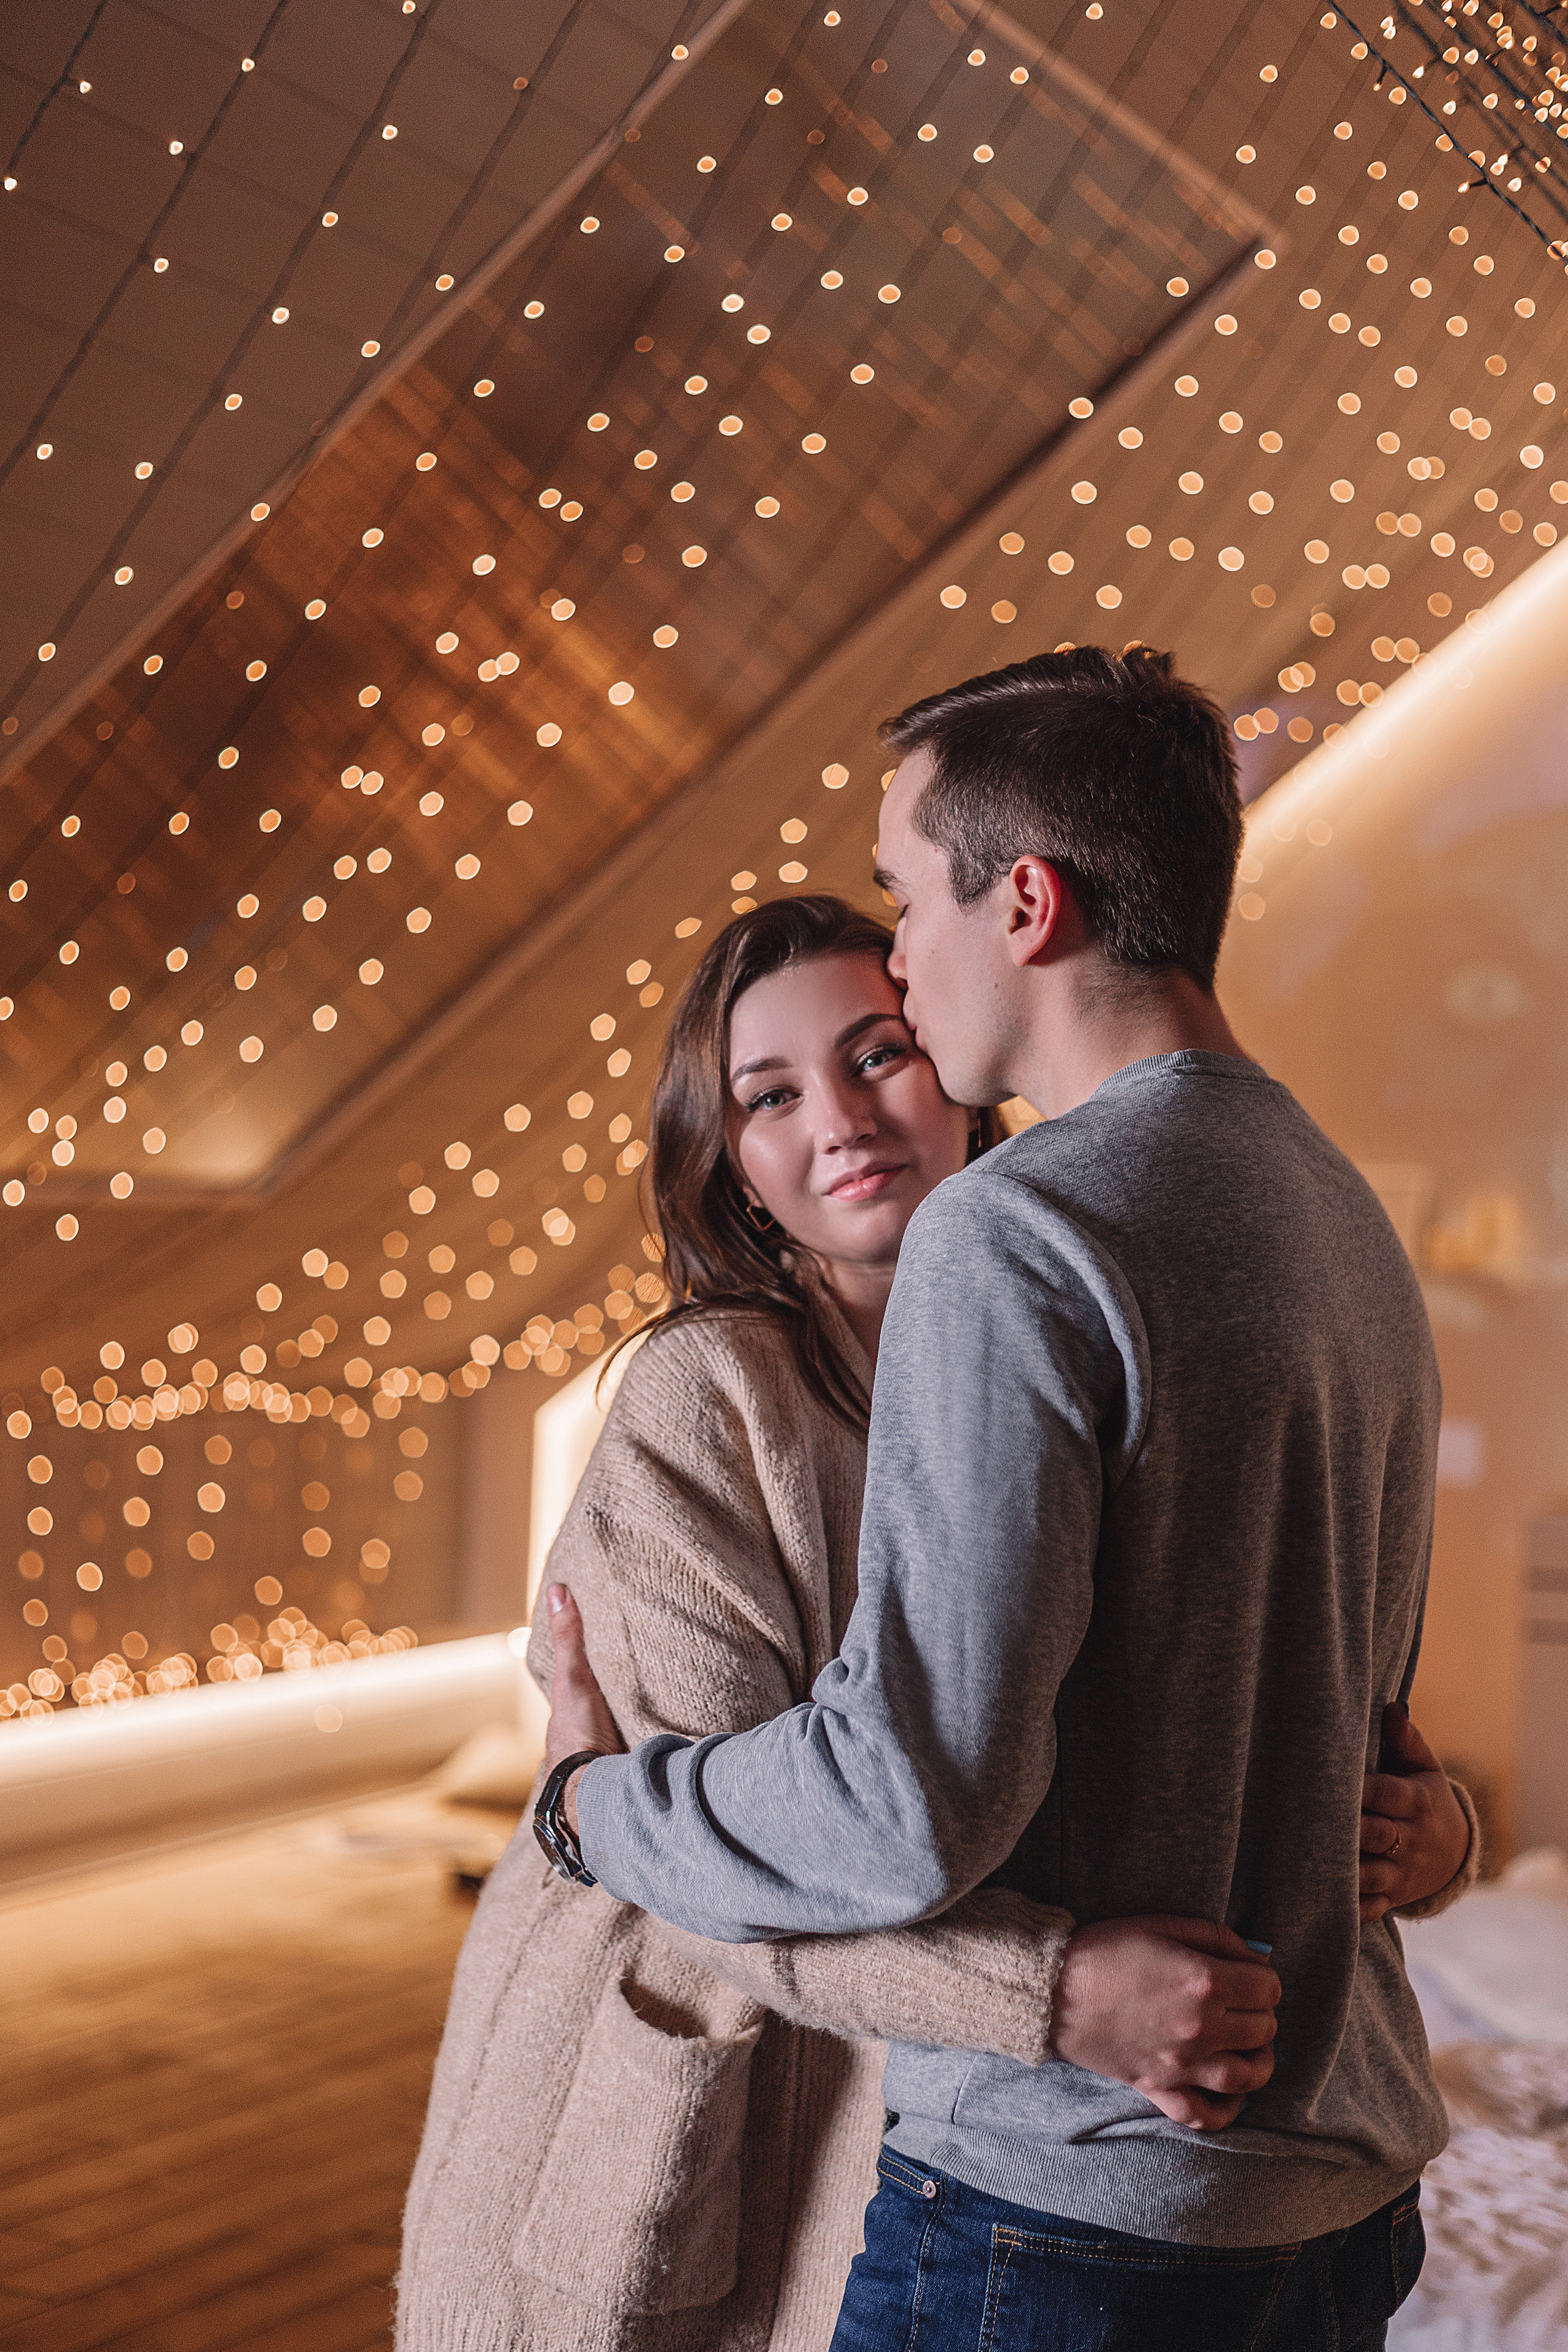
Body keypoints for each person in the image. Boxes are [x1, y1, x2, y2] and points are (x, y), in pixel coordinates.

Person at [540, 649, 1479, 2352]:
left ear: (1025, 901)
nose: (900, 945)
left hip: (1080, 2219)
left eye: (906, 895)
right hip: (1341, 2194)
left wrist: (594, 1808)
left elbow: (908, 1802)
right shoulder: (1341, 1215)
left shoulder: (1020, 1228)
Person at [398, 891, 1390, 2352]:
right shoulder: (706, 1400)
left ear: (955, 1070)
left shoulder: (1059, 1319)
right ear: (729, 1160)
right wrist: (1049, 1999)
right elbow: (707, 1860)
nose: (842, 1119)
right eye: (770, 1096)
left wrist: (1419, 1829)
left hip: (952, 2135)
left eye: (877, 1054)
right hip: (705, 2117)